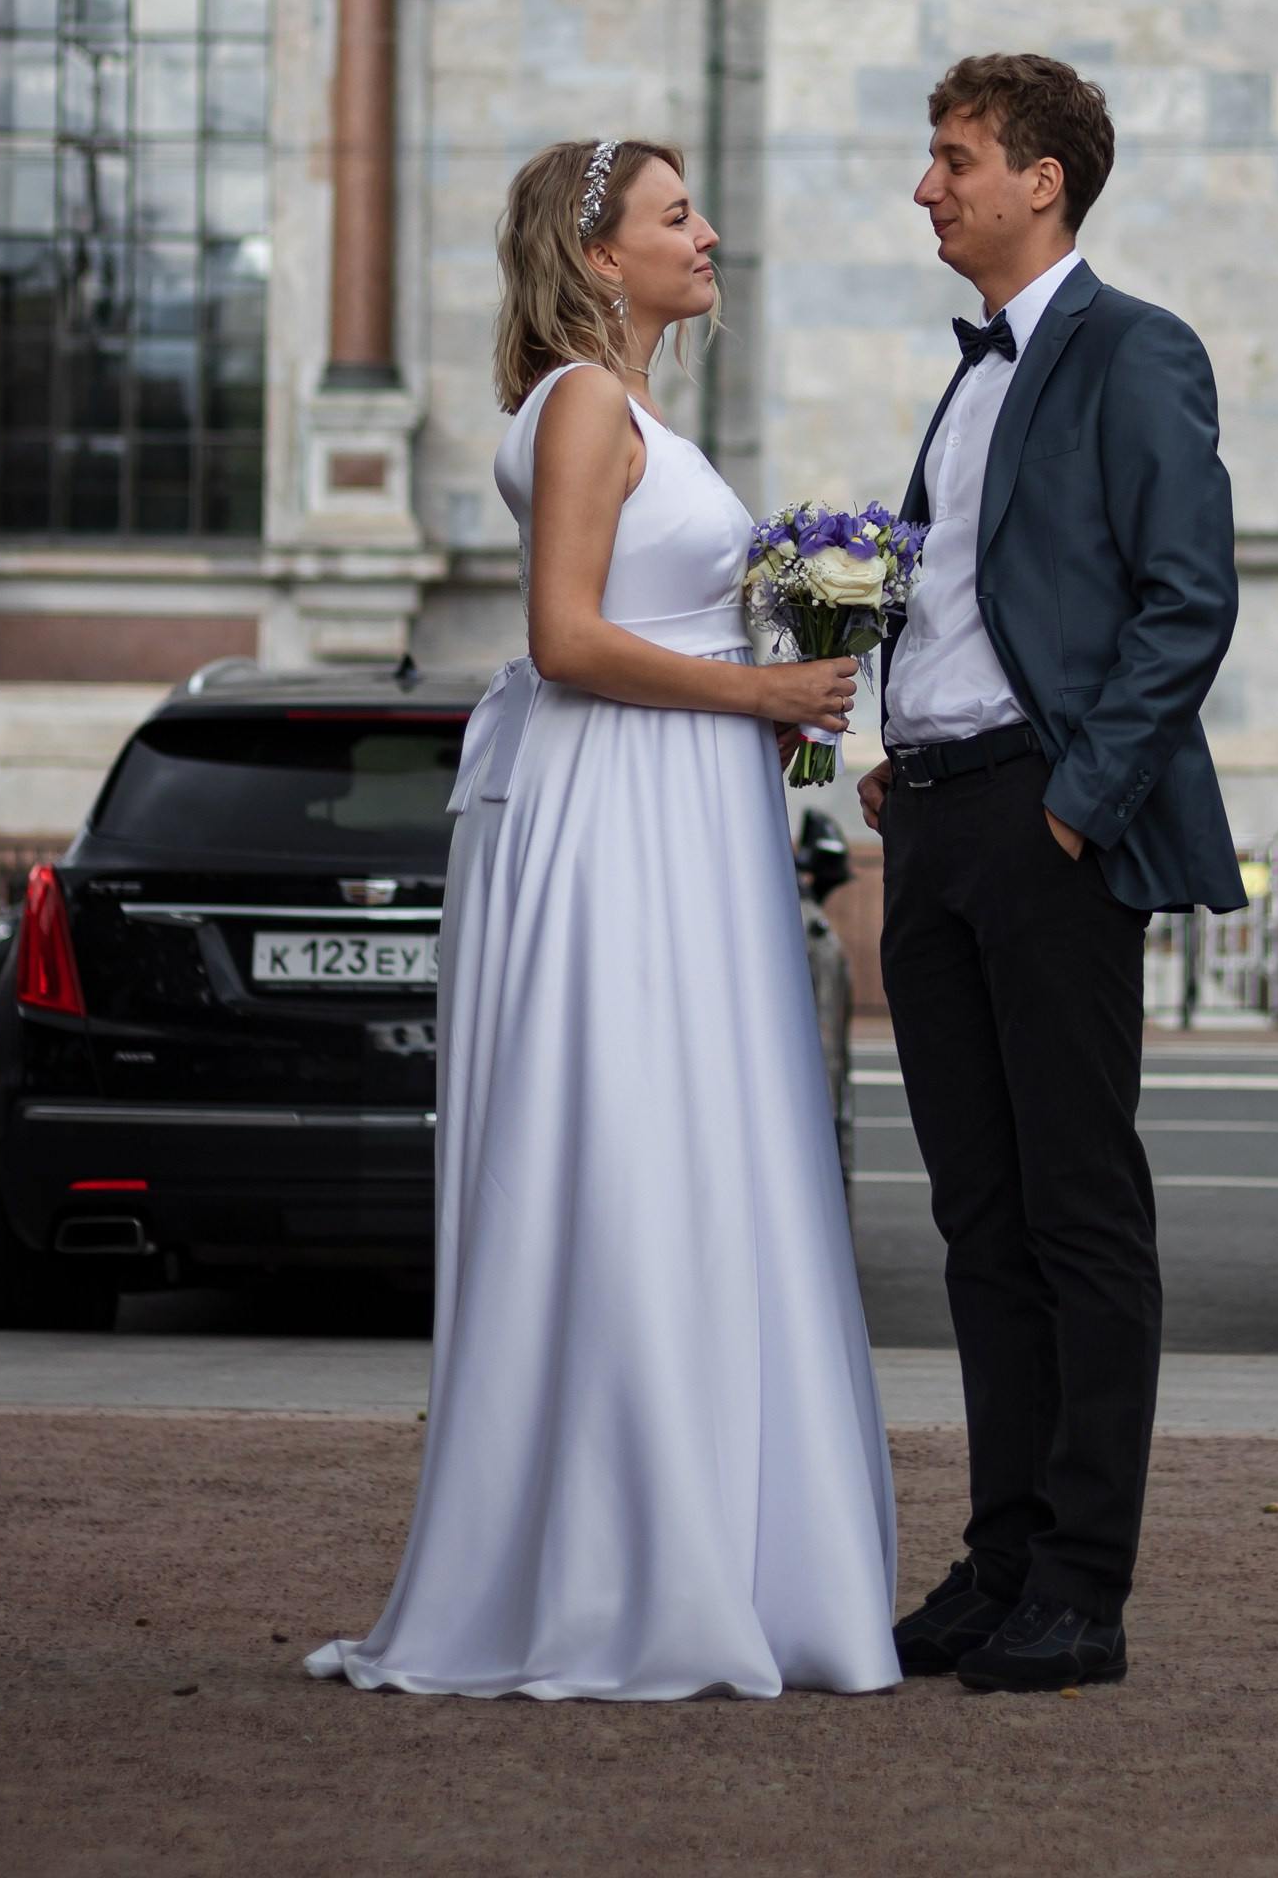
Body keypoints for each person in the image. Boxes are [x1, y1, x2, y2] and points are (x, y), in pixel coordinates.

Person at [308, 139, 899, 1702]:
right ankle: (629, 1570)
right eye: (675, 215)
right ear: (597, 260)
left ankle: (705, 1542)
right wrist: (759, 684)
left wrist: (767, 704)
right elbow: (568, 639)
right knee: (632, 1146)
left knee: (697, 1149)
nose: (709, 233)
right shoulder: (582, 404)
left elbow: (637, 618)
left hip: (678, 799)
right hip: (616, 810)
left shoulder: (628, 410)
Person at [858, 54, 1243, 1694]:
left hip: (1047, 826)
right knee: (978, 1221)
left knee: (1080, 1216)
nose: (927, 186)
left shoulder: (1133, 347)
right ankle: (1001, 1555)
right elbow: (972, 600)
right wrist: (906, 744)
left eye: (953, 158)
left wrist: (1073, 811)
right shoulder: (967, 377)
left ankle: (1084, 1581)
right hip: (937, 819)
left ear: (1044, 183)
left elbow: (1185, 600)